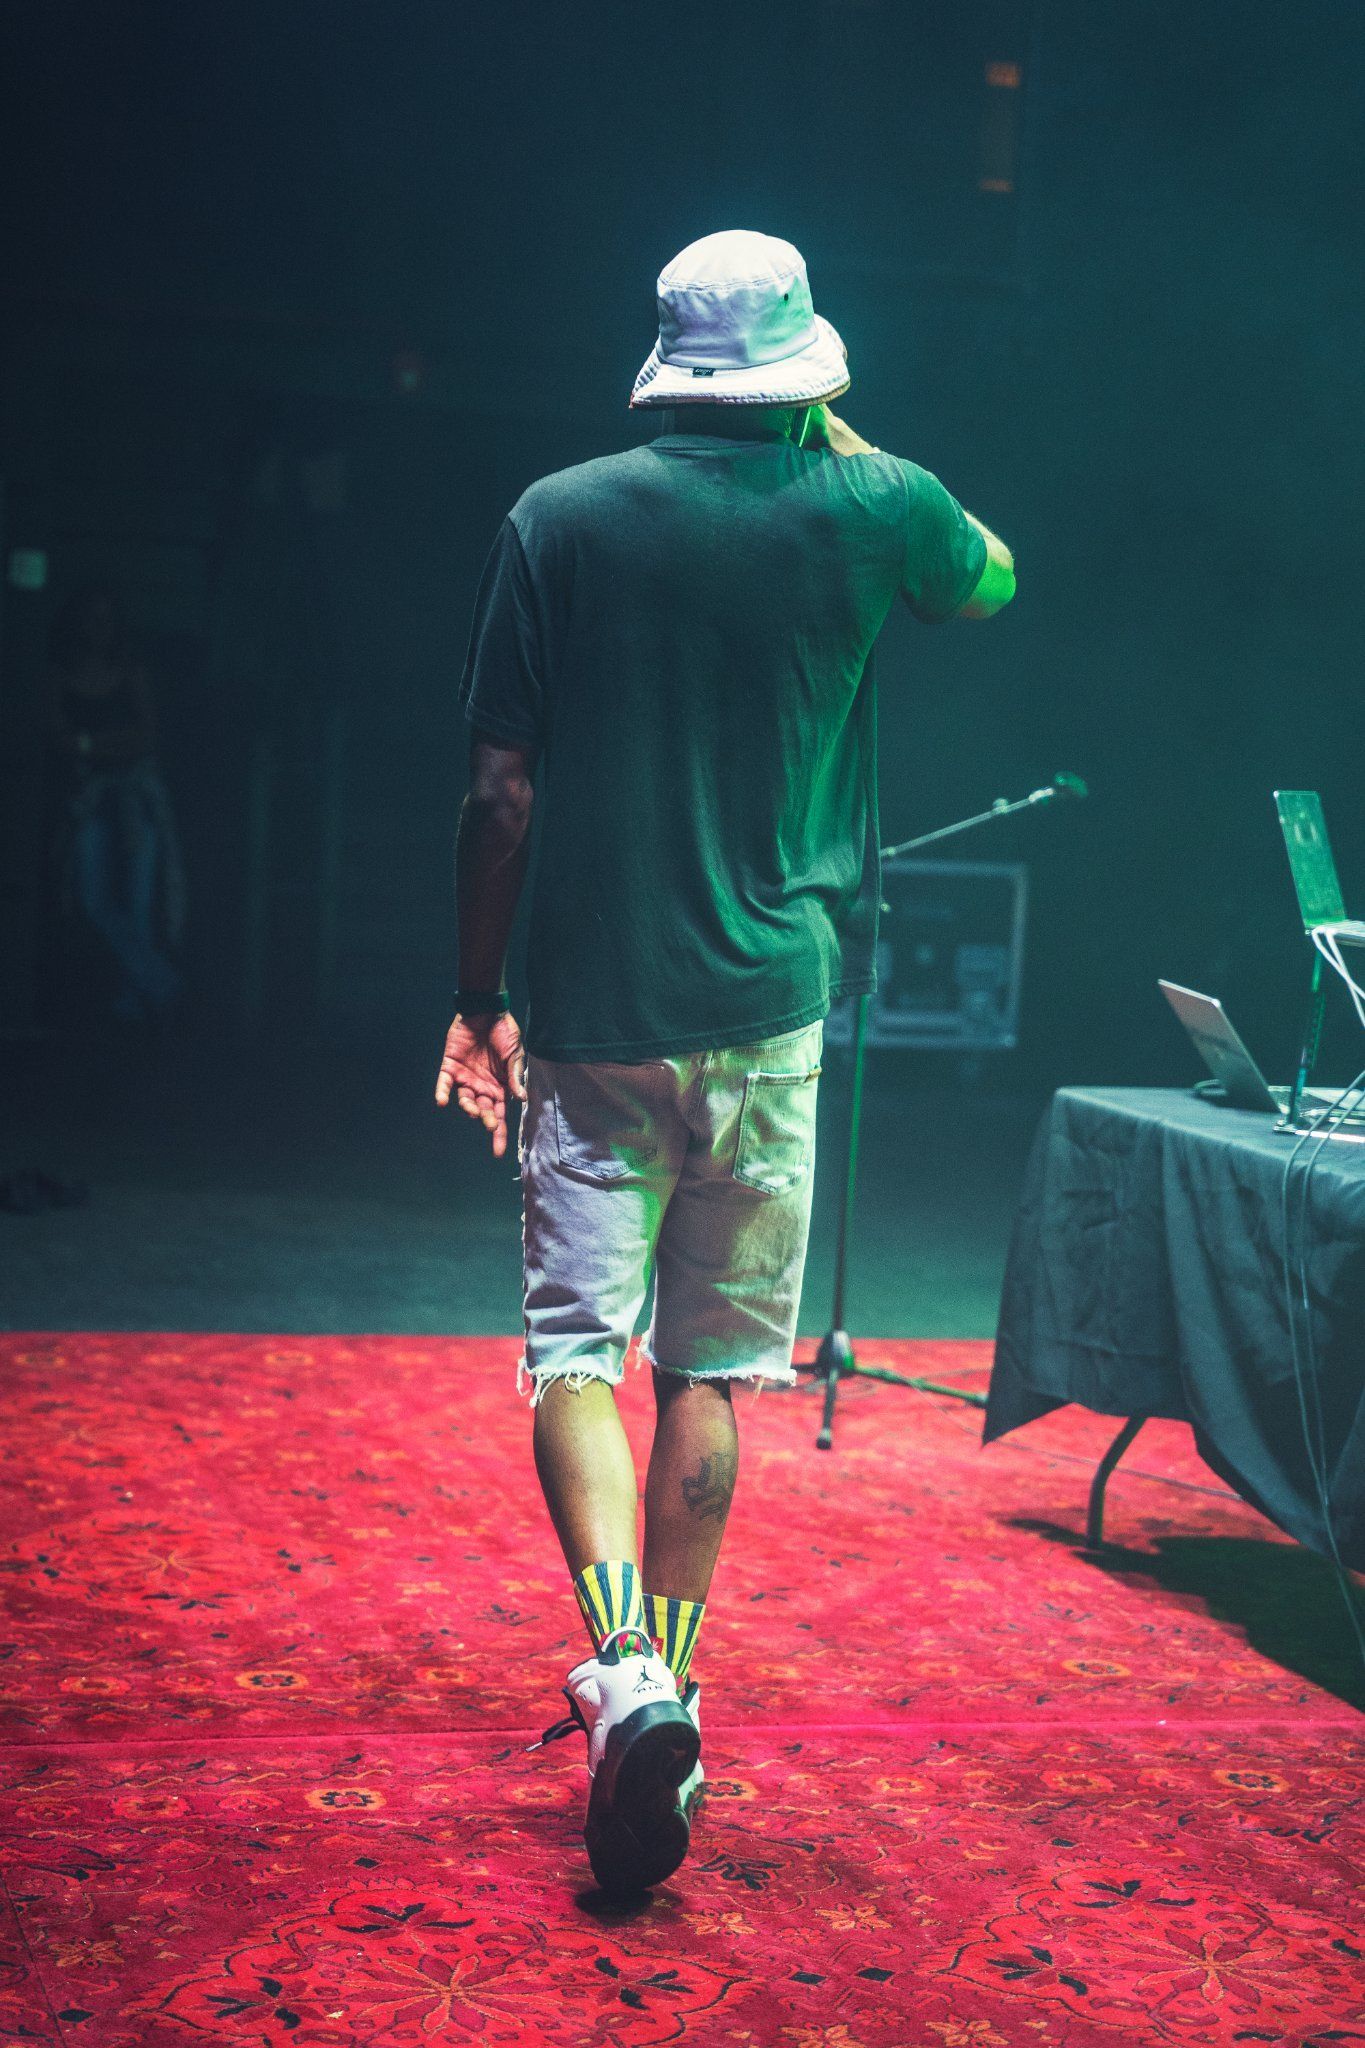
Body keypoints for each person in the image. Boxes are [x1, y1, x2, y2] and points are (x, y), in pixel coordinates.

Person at [435, 229, 1015, 1894]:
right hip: (772, 1009)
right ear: (804, 370)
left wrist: (476, 992)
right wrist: (841, 431)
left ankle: (621, 1666)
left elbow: (498, 795)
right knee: (707, 1369)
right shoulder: (876, 501)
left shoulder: (558, 517)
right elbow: (990, 574)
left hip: (597, 1004)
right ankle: (674, 1685)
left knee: (573, 1349)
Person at [49, 585, 185, 1022]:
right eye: (92, 616)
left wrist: (90, 743)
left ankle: (135, 1003)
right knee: (93, 900)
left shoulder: (131, 672)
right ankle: (160, 983)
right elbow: (60, 739)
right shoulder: (60, 673)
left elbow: (147, 736)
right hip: (89, 799)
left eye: (108, 617)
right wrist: (101, 745)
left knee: (139, 900)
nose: (99, 626)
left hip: (136, 798)